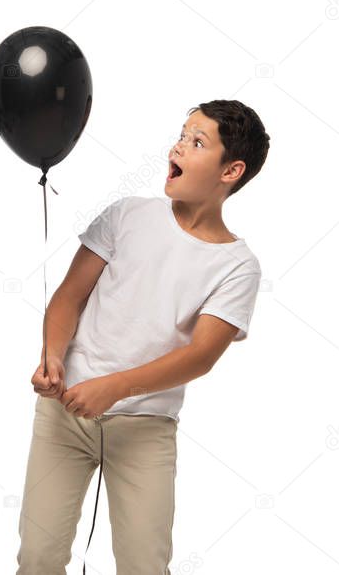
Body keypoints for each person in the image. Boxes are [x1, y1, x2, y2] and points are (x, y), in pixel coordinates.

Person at [16, 99, 271, 574]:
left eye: (198, 142)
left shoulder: (237, 266)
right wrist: (53, 358)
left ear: (230, 170)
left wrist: (113, 388)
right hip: (63, 415)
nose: (179, 145)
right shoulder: (127, 214)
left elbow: (200, 356)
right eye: (182, 134)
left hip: (146, 428)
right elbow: (69, 297)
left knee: (143, 565)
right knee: (38, 557)